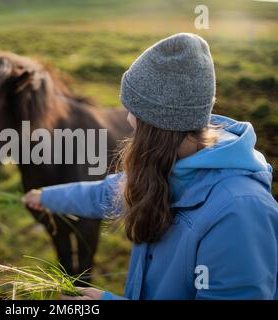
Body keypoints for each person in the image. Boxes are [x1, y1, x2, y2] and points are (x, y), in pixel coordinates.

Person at [21, 33, 278, 300]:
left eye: (134, 111)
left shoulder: (240, 211)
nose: (128, 118)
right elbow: (104, 193)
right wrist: (46, 197)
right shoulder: (167, 168)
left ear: (157, 125)